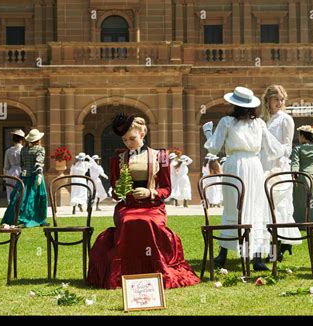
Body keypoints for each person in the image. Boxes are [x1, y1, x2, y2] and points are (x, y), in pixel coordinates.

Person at [88, 113, 200, 289]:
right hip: (128, 206)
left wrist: (150, 192)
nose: (128, 143)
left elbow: (166, 189)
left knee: (148, 222)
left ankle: (154, 270)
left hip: (153, 207)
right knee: (127, 221)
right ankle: (125, 274)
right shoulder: (118, 159)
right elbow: (117, 196)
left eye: (131, 139)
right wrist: (119, 190)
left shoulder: (160, 157)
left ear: (142, 134)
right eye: (124, 140)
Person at [203, 86, 285, 271]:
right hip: (254, 166)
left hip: (234, 165)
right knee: (256, 207)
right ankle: (256, 258)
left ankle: (223, 255)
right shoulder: (259, 124)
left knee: (233, 207)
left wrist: (208, 133)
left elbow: (213, 147)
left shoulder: (227, 122)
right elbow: (274, 148)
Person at [260, 85, 301, 261]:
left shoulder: (285, 119)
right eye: (276, 99)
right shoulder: (263, 119)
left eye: (282, 99)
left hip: (279, 167)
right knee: (265, 208)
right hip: (263, 166)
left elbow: (287, 148)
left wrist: (276, 157)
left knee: (280, 208)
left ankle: (280, 246)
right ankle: (267, 245)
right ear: (268, 100)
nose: (280, 102)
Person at [2, 129, 48, 227]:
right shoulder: (40, 149)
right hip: (35, 176)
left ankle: (16, 217)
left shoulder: (24, 149)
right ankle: (36, 218)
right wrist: (39, 175)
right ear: (38, 139)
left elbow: (22, 164)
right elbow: (38, 163)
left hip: (24, 176)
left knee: (22, 198)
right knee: (37, 197)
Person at [3, 129, 25, 203]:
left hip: (10, 173)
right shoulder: (24, 150)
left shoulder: (8, 151)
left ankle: (11, 210)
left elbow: (6, 166)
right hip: (21, 172)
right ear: (22, 139)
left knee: (10, 194)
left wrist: (5, 177)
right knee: (21, 193)